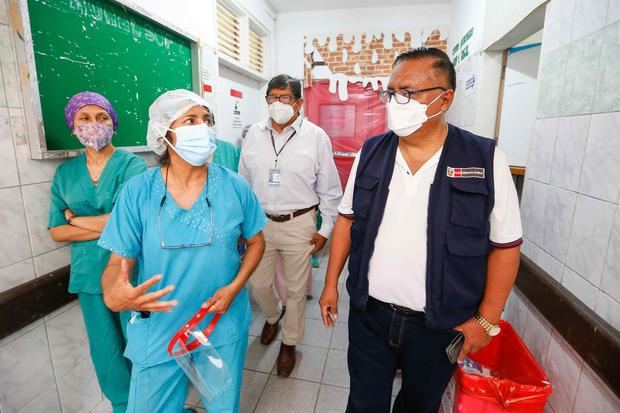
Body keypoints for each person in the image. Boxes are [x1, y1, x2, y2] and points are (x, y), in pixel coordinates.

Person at [319, 47, 523, 413]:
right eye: (392, 92)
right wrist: (331, 283)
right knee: (364, 403)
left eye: (408, 93)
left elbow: (505, 246)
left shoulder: (484, 158)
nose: (396, 102)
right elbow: (347, 220)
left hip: (441, 324)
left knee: (419, 405)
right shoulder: (372, 151)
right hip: (371, 315)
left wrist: (487, 320)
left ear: (445, 98)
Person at [98, 89, 266, 413]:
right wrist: (113, 293)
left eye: (207, 120)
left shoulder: (234, 187)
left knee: (222, 407)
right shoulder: (138, 192)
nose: (202, 128)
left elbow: (257, 242)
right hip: (160, 326)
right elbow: (118, 261)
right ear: (164, 133)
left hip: (220, 322)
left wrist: (235, 286)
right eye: (190, 120)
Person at [48, 91, 147, 413]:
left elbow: (128, 222)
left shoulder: (131, 165)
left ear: (113, 124)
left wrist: (75, 218)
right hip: (89, 275)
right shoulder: (65, 174)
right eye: (85, 119)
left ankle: (153, 403)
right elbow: (56, 232)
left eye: (102, 118)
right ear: (72, 126)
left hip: (128, 270)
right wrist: (103, 223)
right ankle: (124, 407)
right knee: (106, 352)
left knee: (140, 345)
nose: (94, 125)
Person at [239, 74, 342, 376]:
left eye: (285, 98)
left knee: (297, 290)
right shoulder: (254, 135)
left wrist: (325, 230)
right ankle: (272, 317)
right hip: (259, 224)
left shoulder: (316, 137)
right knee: (257, 284)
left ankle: (289, 342)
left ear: (298, 102)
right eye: (272, 97)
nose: (278, 104)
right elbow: (243, 182)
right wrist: (241, 225)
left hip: (300, 223)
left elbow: (331, 190)